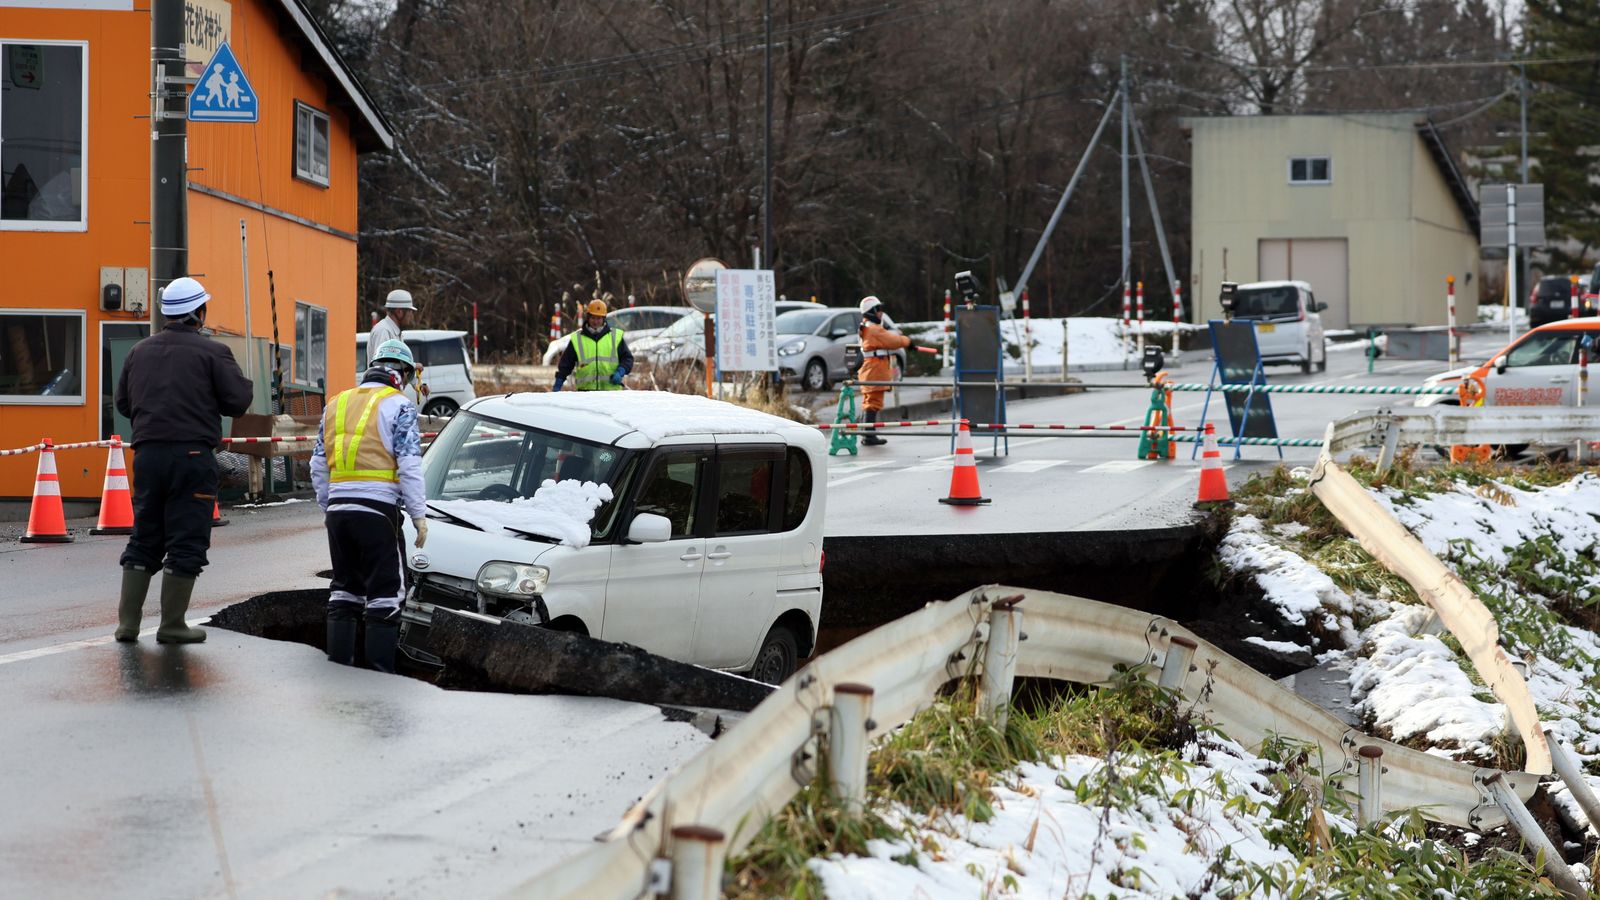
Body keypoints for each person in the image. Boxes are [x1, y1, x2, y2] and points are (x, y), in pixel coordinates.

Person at [113, 277, 254, 643]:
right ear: (198, 313)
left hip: (147, 455)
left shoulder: (138, 352)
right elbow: (237, 401)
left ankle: (127, 625)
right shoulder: (213, 353)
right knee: (187, 538)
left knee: (145, 536)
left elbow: (123, 405)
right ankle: (171, 625)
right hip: (192, 457)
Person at [310, 339, 427, 673]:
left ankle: (340, 668)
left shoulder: (337, 403)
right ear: (401, 373)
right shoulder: (399, 405)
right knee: (386, 592)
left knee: (345, 589)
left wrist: (329, 506)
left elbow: (318, 465)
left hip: (338, 510)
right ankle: (378, 676)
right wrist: (419, 516)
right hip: (377, 509)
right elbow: (409, 464)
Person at [857, 296, 910, 446]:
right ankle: (869, 435)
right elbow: (893, 341)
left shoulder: (866, 327)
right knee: (873, 402)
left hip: (870, 369)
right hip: (874, 370)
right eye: (878, 310)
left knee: (869, 402)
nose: (881, 313)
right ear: (872, 311)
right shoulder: (874, 329)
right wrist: (908, 341)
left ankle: (868, 433)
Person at [553, 298, 633, 391]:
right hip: (585, 394)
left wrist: (620, 371)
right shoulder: (577, 339)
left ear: (604, 319)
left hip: (611, 393)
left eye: (599, 318)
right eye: (593, 318)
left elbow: (627, 358)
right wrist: (558, 382)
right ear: (588, 317)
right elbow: (566, 364)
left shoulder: (616, 337)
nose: (595, 322)